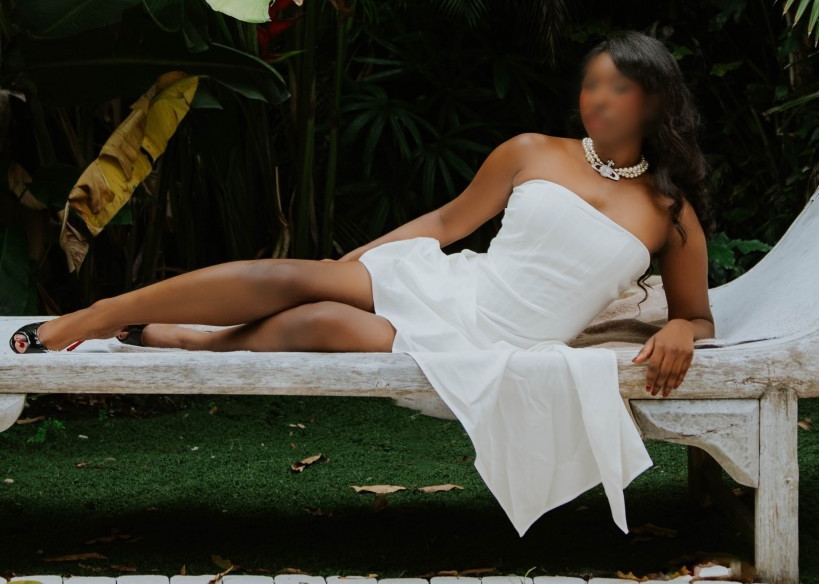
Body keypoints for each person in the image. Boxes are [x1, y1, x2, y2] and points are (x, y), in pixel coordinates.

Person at [8, 29, 716, 534]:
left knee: (323, 322)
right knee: (297, 278)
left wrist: (682, 328)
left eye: (618, 87)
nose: (597, 97)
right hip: (454, 288)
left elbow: (697, 315)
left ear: (654, 101)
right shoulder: (532, 150)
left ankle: (195, 339)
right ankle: (98, 315)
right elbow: (446, 222)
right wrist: (358, 263)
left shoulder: (671, 214)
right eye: (591, 82)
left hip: (503, 346)